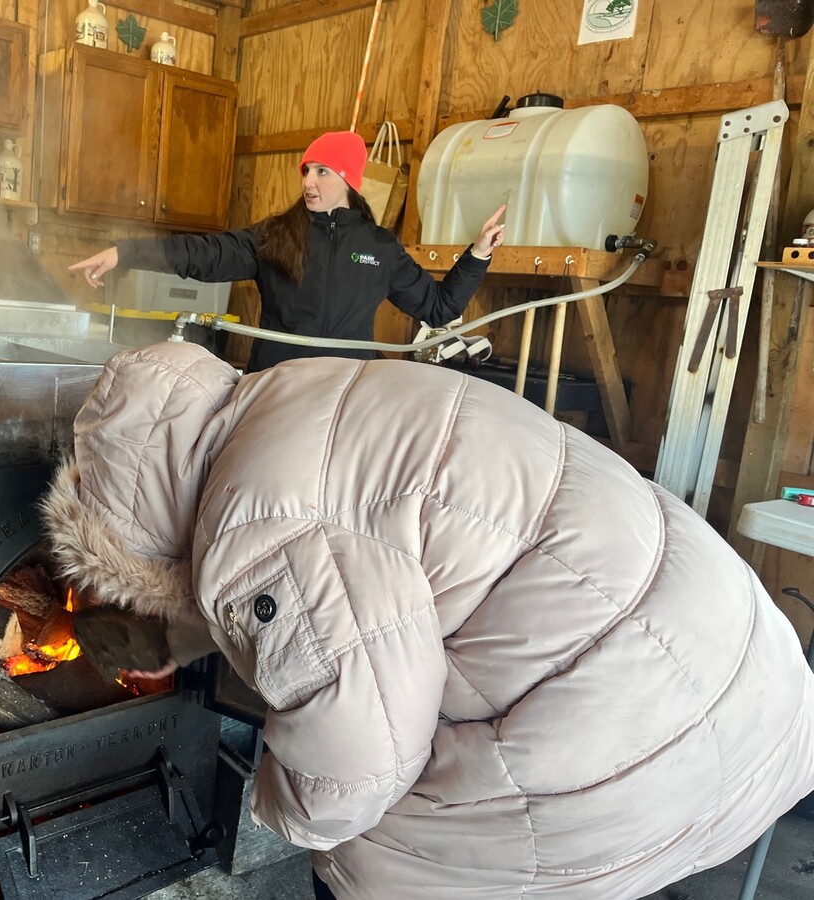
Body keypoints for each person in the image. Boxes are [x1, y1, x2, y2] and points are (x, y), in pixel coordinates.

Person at [40, 340, 814, 899]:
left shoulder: (252, 527)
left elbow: (353, 765)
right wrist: (186, 636)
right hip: (747, 670)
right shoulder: (291, 396)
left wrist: (273, 802)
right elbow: (347, 556)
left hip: (641, 735)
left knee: (365, 853)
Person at [68, 130, 505, 371]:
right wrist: (125, 253)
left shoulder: (379, 248)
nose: (308, 181)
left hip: (345, 395)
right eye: (305, 171)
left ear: (349, 180)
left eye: (321, 171)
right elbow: (206, 254)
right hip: (276, 388)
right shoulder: (276, 236)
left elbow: (439, 308)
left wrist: (479, 253)